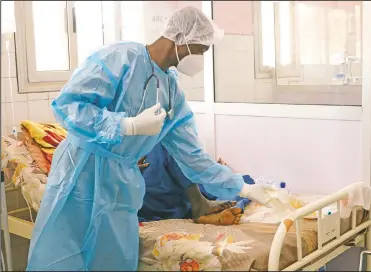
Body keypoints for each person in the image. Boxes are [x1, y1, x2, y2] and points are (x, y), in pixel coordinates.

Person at [27, 6, 273, 271]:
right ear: (181, 38)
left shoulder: (171, 92)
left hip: (122, 183)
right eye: (201, 49)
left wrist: (243, 187)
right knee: (64, 251)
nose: (201, 58)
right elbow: (68, 105)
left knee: (114, 257)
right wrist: (126, 125)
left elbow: (192, 157)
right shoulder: (120, 58)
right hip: (82, 171)